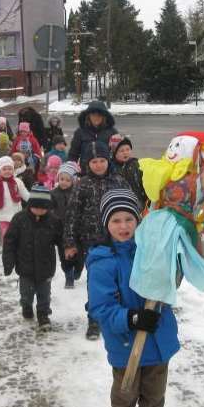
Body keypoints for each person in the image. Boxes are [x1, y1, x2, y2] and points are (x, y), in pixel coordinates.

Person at [87, 189, 179, 407]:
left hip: (158, 337)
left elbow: (171, 280)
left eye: (129, 219)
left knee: (155, 392)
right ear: (106, 224)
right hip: (127, 342)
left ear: (139, 221)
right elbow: (101, 308)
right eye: (116, 220)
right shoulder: (103, 262)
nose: (123, 226)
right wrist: (133, 318)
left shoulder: (151, 250)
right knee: (125, 391)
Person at [64, 141, 130, 339]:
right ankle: (94, 320)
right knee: (97, 282)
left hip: (119, 240)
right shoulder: (82, 185)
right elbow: (72, 215)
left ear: (108, 160)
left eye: (102, 160)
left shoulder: (119, 181)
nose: (99, 165)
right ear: (87, 163)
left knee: (121, 278)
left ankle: (121, 315)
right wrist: (70, 242)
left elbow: (131, 209)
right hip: (92, 243)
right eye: (94, 162)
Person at [3, 184, 62, 330]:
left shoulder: (53, 221)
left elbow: (61, 240)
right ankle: (26, 305)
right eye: (36, 207)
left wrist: (67, 256)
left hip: (46, 267)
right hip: (25, 268)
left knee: (44, 294)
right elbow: (9, 242)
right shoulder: (19, 219)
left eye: (43, 208)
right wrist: (9, 262)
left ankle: (43, 315)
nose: (39, 210)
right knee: (26, 293)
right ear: (30, 204)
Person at [51, 162, 82, 288]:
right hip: (60, 230)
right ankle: (68, 276)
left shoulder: (77, 192)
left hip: (76, 230)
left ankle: (78, 269)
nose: (64, 182)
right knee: (64, 256)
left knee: (78, 254)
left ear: (73, 181)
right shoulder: (53, 193)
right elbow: (49, 209)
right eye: (61, 179)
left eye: (68, 180)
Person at [68, 100, 119, 171]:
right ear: (89, 116)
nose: (96, 117)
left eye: (99, 115)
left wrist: (117, 143)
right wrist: (70, 169)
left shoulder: (112, 131)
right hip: (85, 171)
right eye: (93, 114)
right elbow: (73, 154)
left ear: (104, 116)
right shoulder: (80, 132)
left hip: (106, 171)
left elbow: (118, 153)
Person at [0, 156, 30, 239]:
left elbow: (25, 194)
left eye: (10, 169)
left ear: (13, 170)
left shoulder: (18, 182)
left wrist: (35, 201)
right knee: (6, 236)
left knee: (17, 235)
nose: (7, 171)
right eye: (4, 169)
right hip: (3, 215)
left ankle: (17, 247)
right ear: (0, 171)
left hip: (16, 214)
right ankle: (6, 247)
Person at [110, 135, 148, 211]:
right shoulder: (111, 168)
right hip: (119, 205)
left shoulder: (136, 164)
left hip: (138, 203)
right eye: (121, 151)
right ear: (114, 152)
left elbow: (144, 182)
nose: (125, 153)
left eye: (128, 149)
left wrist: (146, 199)